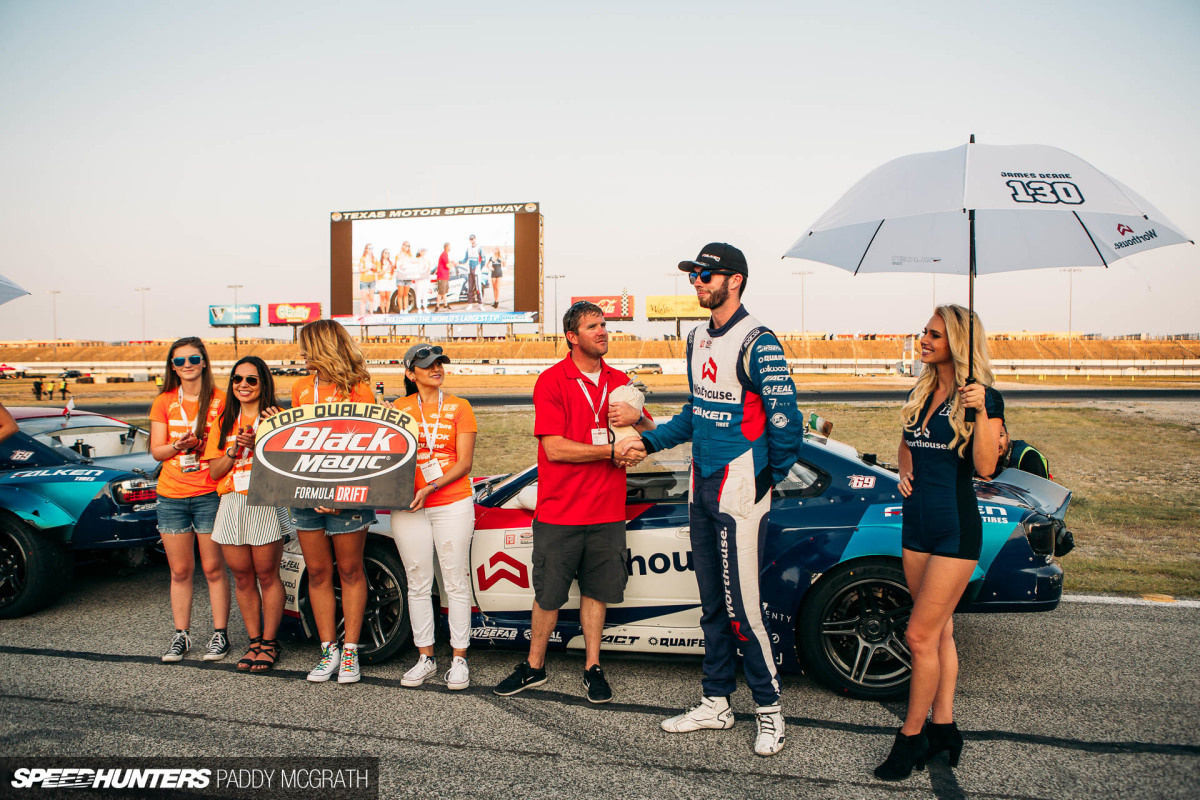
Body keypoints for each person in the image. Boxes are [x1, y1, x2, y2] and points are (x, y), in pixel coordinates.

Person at [620, 243, 802, 757]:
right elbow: (696, 412)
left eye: (706, 274)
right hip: (701, 484)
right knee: (712, 605)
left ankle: (769, 710)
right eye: (693, 275)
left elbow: (787, 422)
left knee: (744, 608)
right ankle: (716, 701)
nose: (697, 282)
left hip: (739, 486)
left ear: (734, 280)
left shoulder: (759, 340)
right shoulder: (696, 337)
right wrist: (649, 443)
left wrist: (766, 478)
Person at [493, 301, 655, 704]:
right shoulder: (552, 380)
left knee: (596, 593)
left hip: (607, 512)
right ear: (572, 336)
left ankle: (592, 666)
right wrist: (611, 452)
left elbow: (650, 429)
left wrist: (636, 417)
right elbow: (555, 449)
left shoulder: (620, 380)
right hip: (560, 512)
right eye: (593, 326)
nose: (603, 331)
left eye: (604, 325)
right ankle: (534, 666)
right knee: (548, 595)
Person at [873, 304, 1003, 781]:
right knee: (940, 632)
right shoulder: (922, 389)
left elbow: (986, 467)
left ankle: (912, 737)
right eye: (924, 332)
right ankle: (945, 728)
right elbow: (908, 442)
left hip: (955, 529)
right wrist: (904, 469)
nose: (923, 340)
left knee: (918, 636)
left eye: (934, 335)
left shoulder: (983, 397)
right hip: (916, 525)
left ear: (958, 343)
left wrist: (981, 409)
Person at [290, 319, 378, 684]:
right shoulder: (300, 387)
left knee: (351, 571)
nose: (301, 353)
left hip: (349, 497)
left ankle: (351, 651)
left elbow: (368, 448)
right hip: (305, 495)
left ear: (323, 347)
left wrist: (340, 494)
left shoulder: (359, 389)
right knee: (318, 572)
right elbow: (296, 443)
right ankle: (329, 650)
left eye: (307, 347)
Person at [391, 344, 477, 690]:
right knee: (417, 582)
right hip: (409, 507)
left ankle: (459, 659)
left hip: (452, 502)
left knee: (455, 581)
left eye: (439, 363)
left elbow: (465, 463)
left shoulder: (460, 406)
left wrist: (431, 486)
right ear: (410, 374)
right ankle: (425, 657)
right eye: (427, 365)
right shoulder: (398, 409)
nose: (436, 369)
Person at [203, 356, 293, 673]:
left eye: (251, 379)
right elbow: (214, 471)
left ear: (263, 383)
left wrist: (259, 444)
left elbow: (289, 466)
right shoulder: (223, 421)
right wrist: (233, 451)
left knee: (267, 574)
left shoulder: (277, 416)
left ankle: (269, 643)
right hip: (231, 501)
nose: (243, 385)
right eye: (237, 379)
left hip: (264, 500)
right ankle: (254, 641)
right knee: (242, 576)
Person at [148, 337, 230, 663]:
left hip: (209, 492)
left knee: (213, 568)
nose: (187, 365)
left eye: (193, 359)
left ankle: (220, 634)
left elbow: (226, 447)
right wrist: (178, 447)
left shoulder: (221, 400)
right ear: (172, 366)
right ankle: (181, 634)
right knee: (180, 570)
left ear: (204, 361)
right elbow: (157, 451)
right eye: (180, 361)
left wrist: (200, 444)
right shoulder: (164, 401)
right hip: (171, 495)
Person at [459, 234, 485, 309]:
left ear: (475, 239)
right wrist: (458, 262)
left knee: (478, 287)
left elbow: (484, 260)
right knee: (470, 288)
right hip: (470, 271)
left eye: (473, 239)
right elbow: (465, 259)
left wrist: (480, 268)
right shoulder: (468, 248)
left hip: (476, 270)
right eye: (470, 239)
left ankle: (480, 304)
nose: (472, 240)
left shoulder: (479, 248)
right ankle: (470, 304)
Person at [357, 243, 378, 314]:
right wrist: (368, 268)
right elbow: (360, 270)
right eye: (369, 248)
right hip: (364, 281)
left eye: (372, 248)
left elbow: (376, 269)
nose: (371, 250)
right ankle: (362, 315)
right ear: (366, 249)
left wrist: (374, 267)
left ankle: (371, 314)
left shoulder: (374, 259)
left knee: (371, 298)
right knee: (364, 299)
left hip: (372, 280)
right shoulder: (363, 259)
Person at [375, 247, 396, 313]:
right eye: (385, 253)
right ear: (382, 254)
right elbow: (379, 273)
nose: (387, 254)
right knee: (382, 297)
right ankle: (383, 312)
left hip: (388, 281)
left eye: (388, 253)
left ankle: (387, 312)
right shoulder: (379, 263)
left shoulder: (390, 263)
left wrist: (391, 277)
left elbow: (392, 272)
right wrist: (386, 269)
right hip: (382, 281)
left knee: (388, 298)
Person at [413, 248, 432, 312]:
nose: (423, 252)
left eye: (424, 251)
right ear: (420, 252)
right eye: (422, 251)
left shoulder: (427, 260)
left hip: (426, 278)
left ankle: (425, 307)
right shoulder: (416, 260)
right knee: (419, 292)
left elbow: (429, 269)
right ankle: (419, 308)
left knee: (425, 292)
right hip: (419, 278)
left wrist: (428, 267)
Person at [435, 243, 452, 311]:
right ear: (446, 247)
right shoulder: (444, 254)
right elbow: (448, 265)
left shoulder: (445, 254)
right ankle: (437, 306)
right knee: (441, 292)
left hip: (445, 276)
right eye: (449, 247)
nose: (450, 248)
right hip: (442, 277)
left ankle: (445, 304)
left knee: (444, 292)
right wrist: (453, 264)